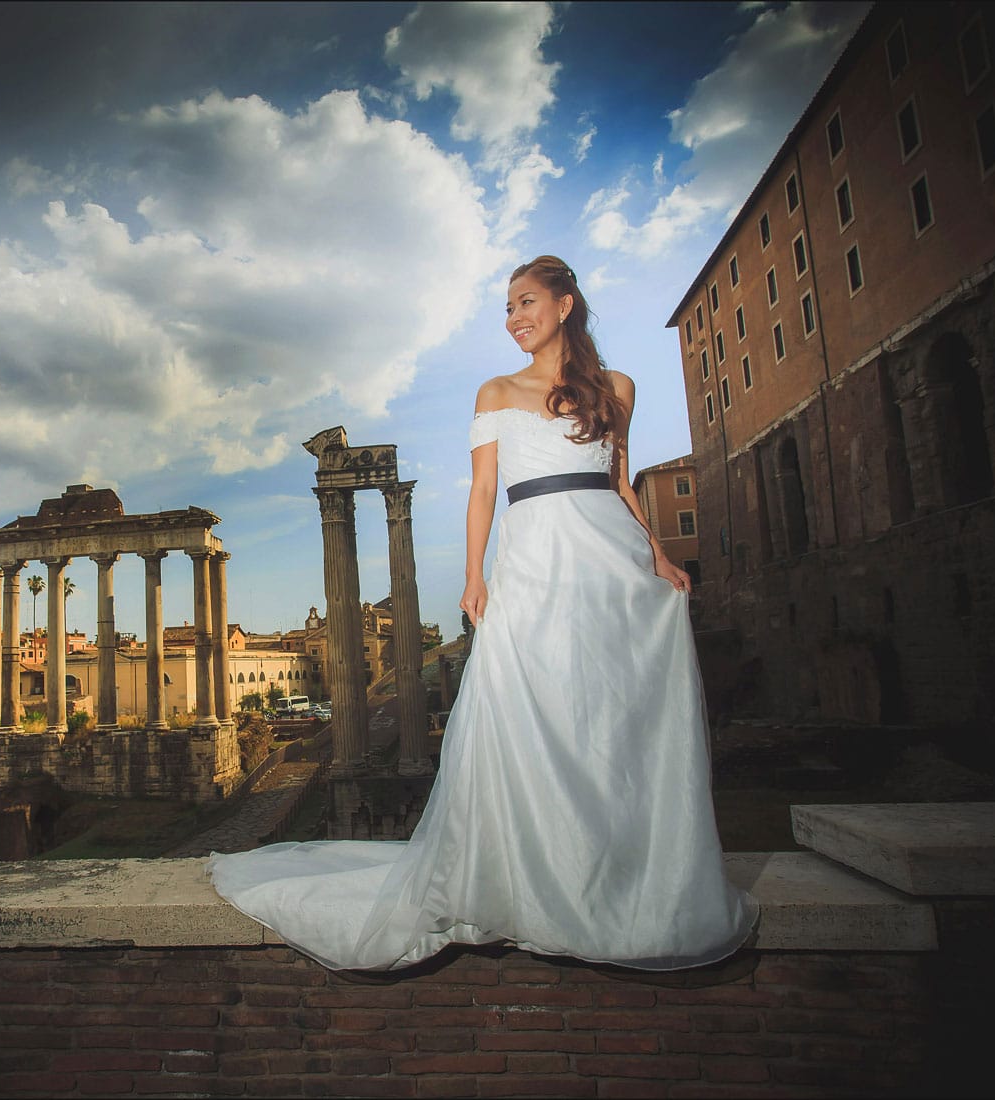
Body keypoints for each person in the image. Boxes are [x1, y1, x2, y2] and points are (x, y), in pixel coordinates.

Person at [209, 255, 757, 972]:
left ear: (565, 305)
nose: (514, 318)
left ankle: (628, 869)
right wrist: (473, 576)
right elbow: (482, 491)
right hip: (533, 553)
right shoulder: (494, 389)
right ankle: (541, 873)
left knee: (620, 710)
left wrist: (656, 552)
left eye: (525, 302)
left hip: (611, 556)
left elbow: (620, 482)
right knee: (532, 704)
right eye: (506, 308)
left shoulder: (616, 387)